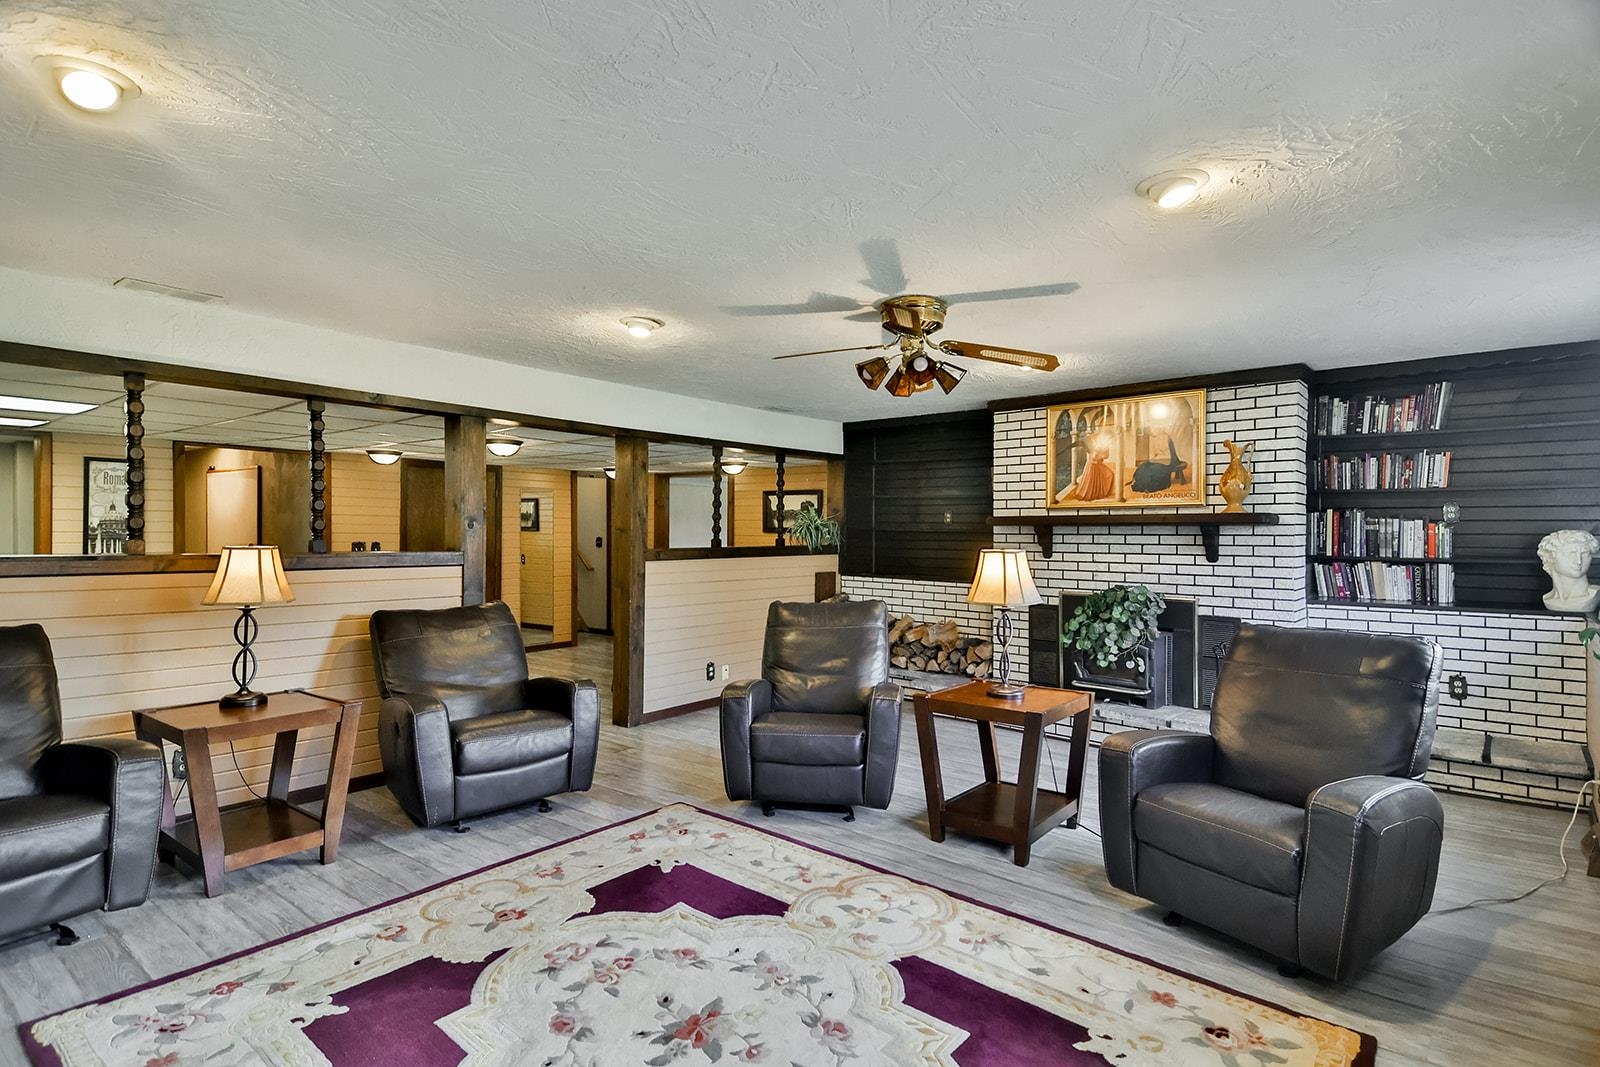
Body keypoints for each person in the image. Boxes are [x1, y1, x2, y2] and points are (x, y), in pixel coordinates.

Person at [1537, 529, 1600, 613]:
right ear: (1551, 557)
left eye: (1584, 553)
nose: (1578, 561)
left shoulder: (1594, 595)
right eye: (1571, 553)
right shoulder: (1547, 598)